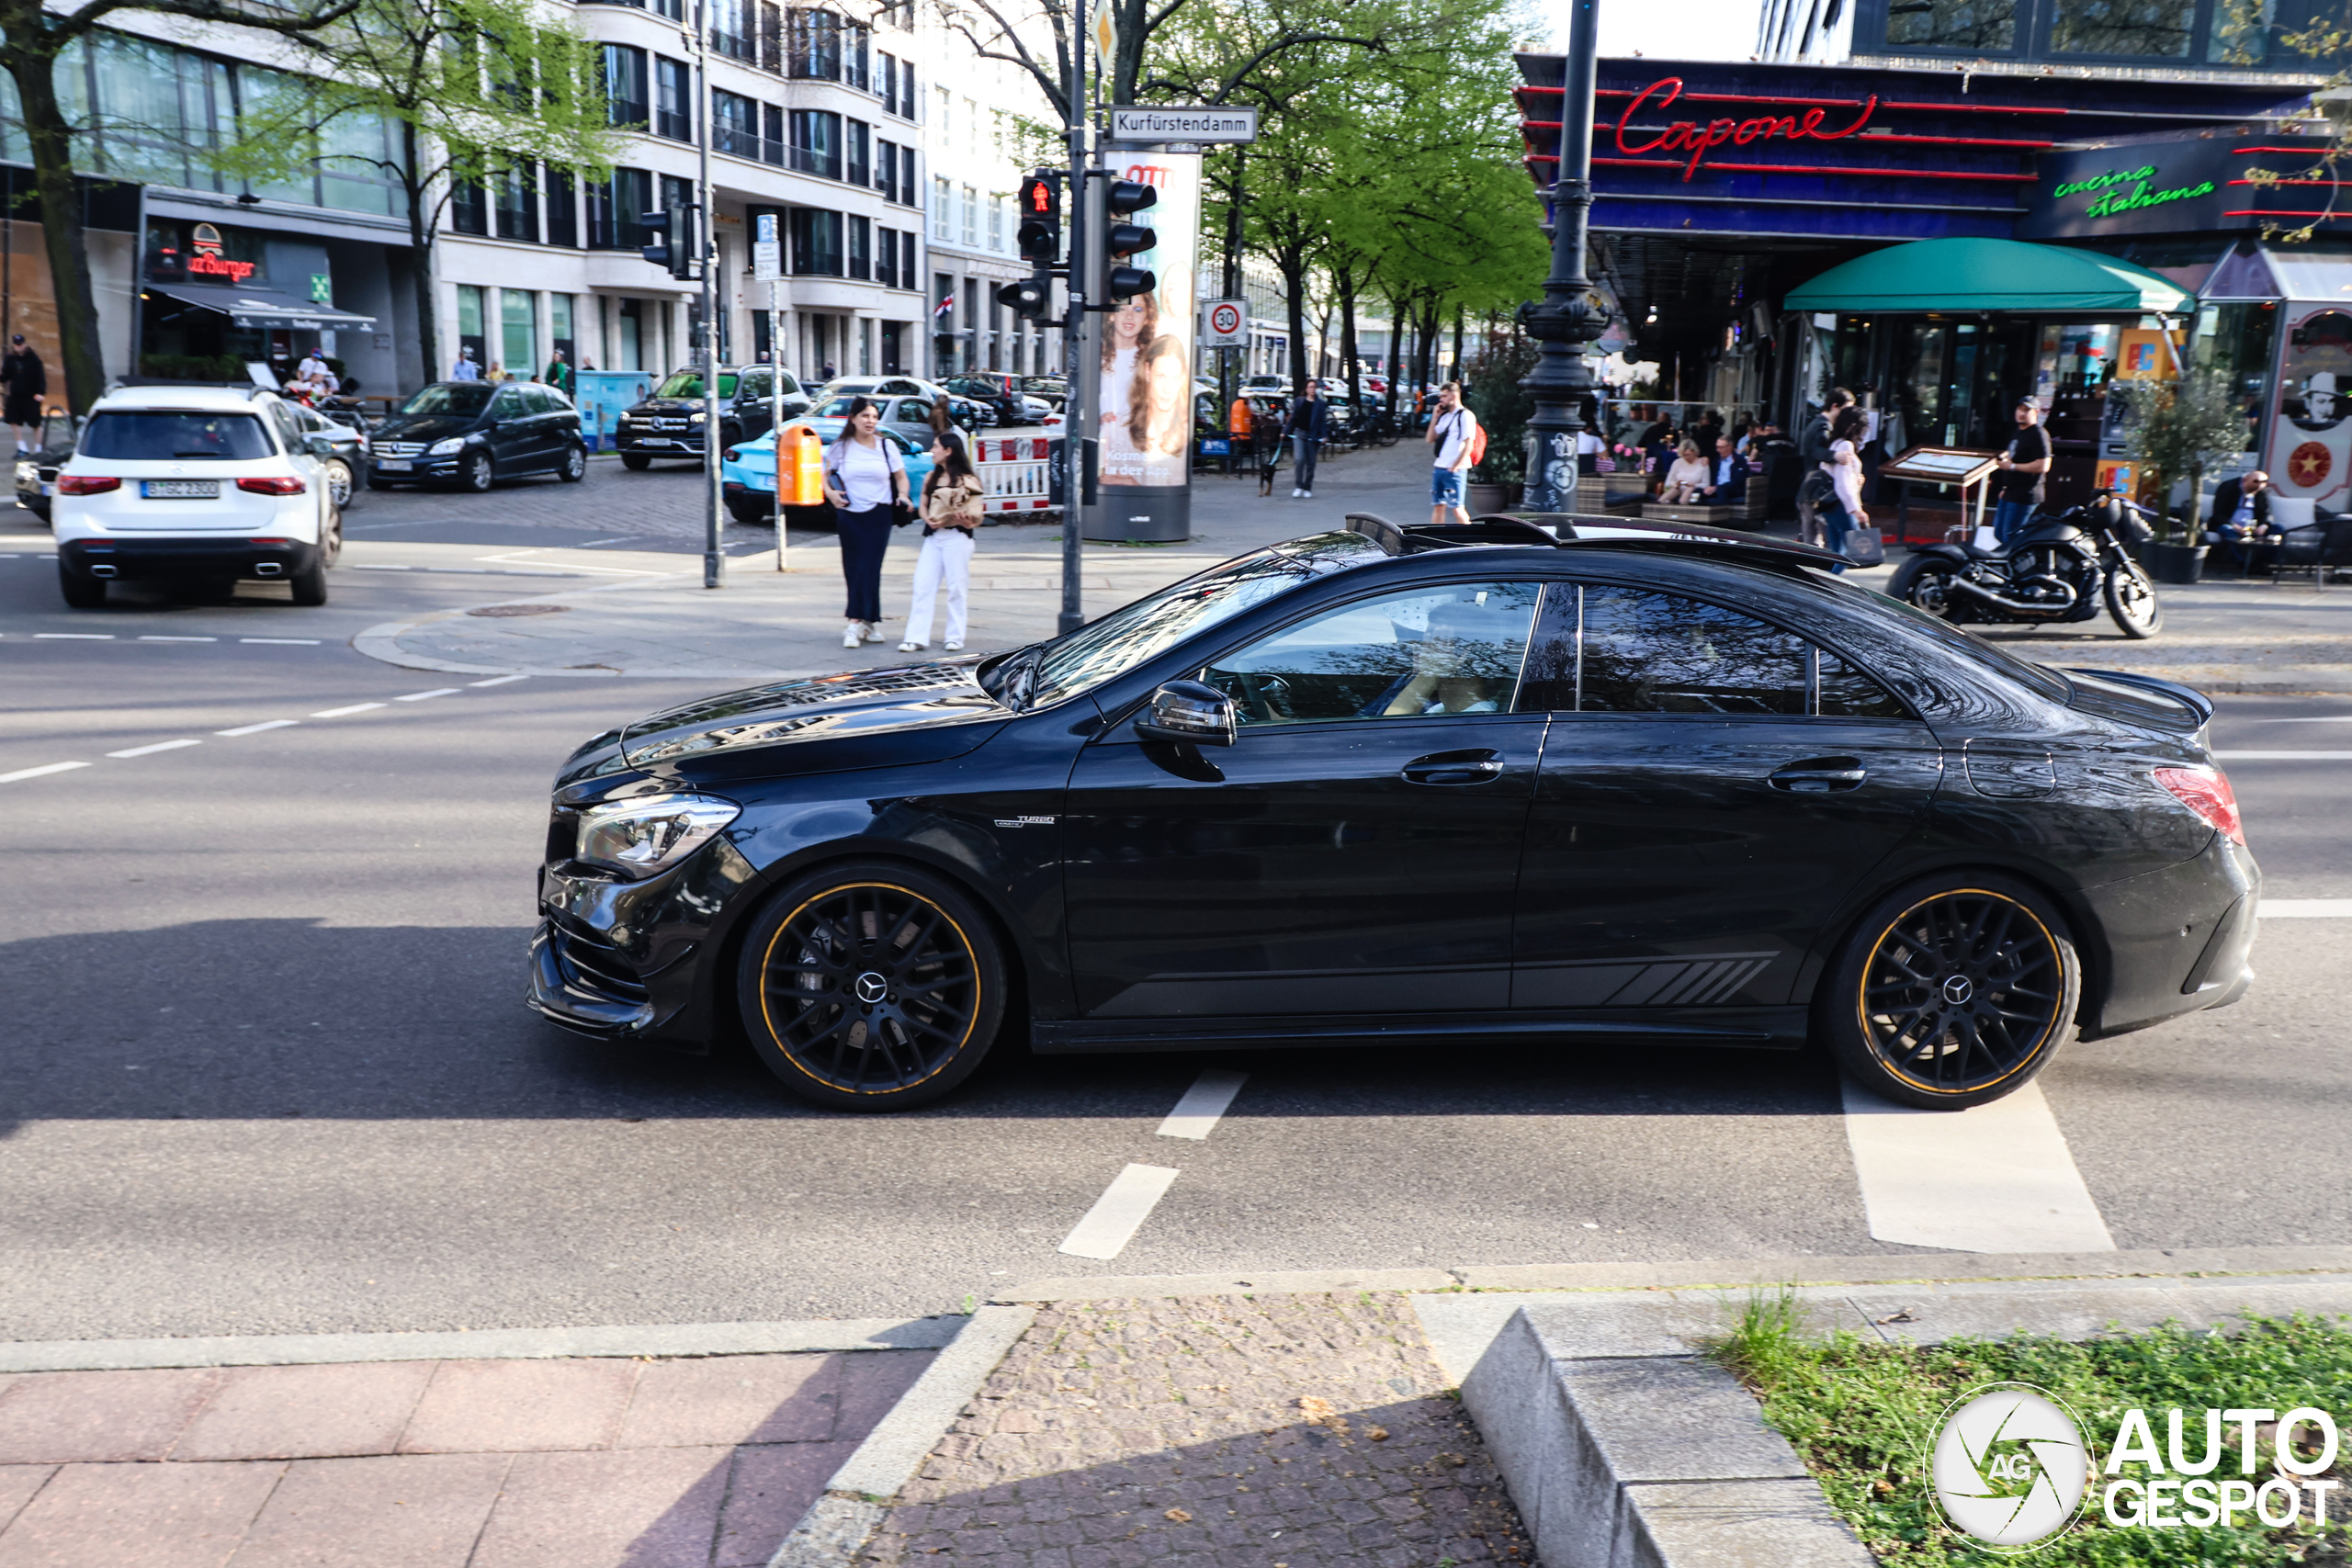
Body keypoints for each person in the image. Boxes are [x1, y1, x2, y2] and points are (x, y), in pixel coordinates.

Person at [821, 397, 911, 649]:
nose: (870, 421)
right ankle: (856, 622)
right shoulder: (841, 446)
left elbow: (901, 478)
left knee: (871, 567)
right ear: (853, 419)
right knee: (854, 568)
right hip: (850, 514)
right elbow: (825, 476)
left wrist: (903, 495)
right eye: (865, 416)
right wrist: (830, 494)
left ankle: (866, 621)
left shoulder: (886, 446)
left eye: (873, 416)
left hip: (879, 514)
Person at [900, 429, 986, 653]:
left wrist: (964, 520)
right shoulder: (932, 477)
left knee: (957, 588)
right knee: (923, 585)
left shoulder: (968, 480)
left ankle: (955, 637)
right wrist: (927, 518)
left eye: (936, 446)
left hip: (957, 538)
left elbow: (976, 516)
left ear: (948, 451)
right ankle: (916, 637)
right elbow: (924, 505)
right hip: (934, 538)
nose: (932, 451)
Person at [1795, 388, 1855, 547]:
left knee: (1812, 537)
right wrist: (1834, 455)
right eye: (1845, 410)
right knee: (1826, 538)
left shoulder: (1816, 423)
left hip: (1809, 488)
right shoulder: (1823, 426)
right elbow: (1816, 451)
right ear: (1835, 406)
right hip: (1818, 490)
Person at [1991, 397, 2052, 546]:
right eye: (2019, 409)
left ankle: (2015, 567)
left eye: (2026, 410)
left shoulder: (2039, 434)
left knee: (2010, 537)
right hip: (2011, 491)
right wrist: (2005, 487)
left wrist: (2012, 467)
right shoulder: (2019, 432)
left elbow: (2044, 465)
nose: (2021, 413)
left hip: (2026, 493)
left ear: (2036, 412)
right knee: (1999, 533)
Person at [1818, 406, 1869, 572]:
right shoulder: (1846, 446)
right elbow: (1842, 483)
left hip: (1829, 503)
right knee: (1849, 553)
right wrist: (1856, 509)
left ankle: (1822, 586)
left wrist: (1856, 479)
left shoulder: (1834, 443)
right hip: (1841, 504)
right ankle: (1826, 587)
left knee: (1836, 551)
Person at [1426, 380, 1478, 525]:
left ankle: (1472, 539)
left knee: (1457, 507)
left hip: (1455, 469)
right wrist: (1435, 417)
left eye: (1444, 396)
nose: (1440, 399)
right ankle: (1436, 537)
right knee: (1438, 505)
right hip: (1440, 467)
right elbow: (1430, 438)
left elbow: (1469, 444)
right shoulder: (1445, 416)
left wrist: (1455, 466)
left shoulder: (1465, 416)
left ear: (1454, 397)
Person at [2206, 469, 2278, 570]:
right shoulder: (2228, 487)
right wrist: (2237, 527)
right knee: (2228, 532)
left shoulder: (2260, 491)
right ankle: (2243, 563)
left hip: (2252, 525)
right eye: (2253, 487)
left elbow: (2267, 512)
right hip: (2230, 524)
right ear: (2245, 480)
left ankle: (2262, 562)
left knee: (2278, 529)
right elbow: (2218, 514)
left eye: (2262, 484)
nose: (2255, 491)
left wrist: (2263, 525)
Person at [1283, 380, 1330, 499]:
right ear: (1306, 389)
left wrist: (1324, 436)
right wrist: (1285, 432)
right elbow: (1294, 418)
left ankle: (1307, 487)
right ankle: (1299, 486)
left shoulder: (1319, 404)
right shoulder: (1299, 401)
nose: (1312, 389)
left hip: (1312, 436)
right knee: (1299, 459)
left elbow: (1322, 422)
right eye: (1310, 387)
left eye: (1314, 387)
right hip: (1299, 433)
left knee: (1311, 463)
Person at [2, 334, 42, 454]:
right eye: (16, 345)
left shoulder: (33, 359)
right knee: (12, 419)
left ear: (24, 344)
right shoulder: (10, 359)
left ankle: (38, 448)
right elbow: (6, 375)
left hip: (31, 395)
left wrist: (40, 392)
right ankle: (22, 446)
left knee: (35, 422)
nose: (18, 347)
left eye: (20, 345)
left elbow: (40, 376)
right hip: (16, 394)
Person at [1698, 434, 1748, 505]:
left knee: (1722, 489)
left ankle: (1721, 513)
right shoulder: (1717, 460)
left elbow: (1738, 481)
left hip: (1732, 489)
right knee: (1698, 491)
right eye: (1717, 447)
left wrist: (1717, 487)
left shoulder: (1739, 461)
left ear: (1729, 447)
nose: (1718, 450)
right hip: (1717, 488)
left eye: (1721, 447)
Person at [1660, 438, 1711, 502]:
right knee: (1666, 496)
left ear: (1694, 452)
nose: (1686, 457)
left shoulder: (1703, 463)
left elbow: (1706, 484)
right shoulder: (1677, 462)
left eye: (1688, 455)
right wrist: (1675, 484)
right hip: (1678, 489)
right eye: (1684, 455)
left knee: (1688, 492)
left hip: (1695, 491)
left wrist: (1694, 485)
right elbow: (1667, 483)